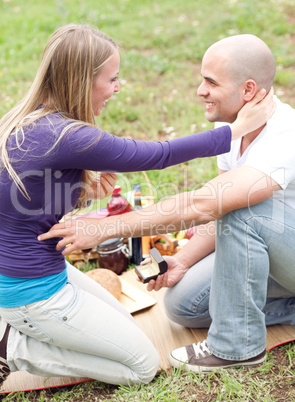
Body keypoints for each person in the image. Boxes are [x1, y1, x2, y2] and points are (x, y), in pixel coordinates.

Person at [0, 24, 274, 387]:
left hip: (36, 276)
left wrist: (83, 189)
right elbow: (158, 154)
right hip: (32, 291)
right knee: (142, 367)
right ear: (82, 81)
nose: (117, 88)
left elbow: (19, 202)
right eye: (111, 79)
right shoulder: (69, 135)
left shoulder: (29, 116)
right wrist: (235, 131)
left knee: (127, 334)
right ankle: (13, 347)